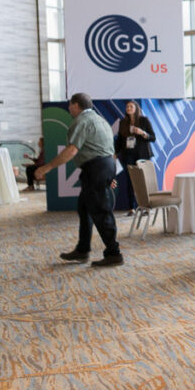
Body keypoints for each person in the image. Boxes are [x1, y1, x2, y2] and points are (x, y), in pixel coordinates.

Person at [35, 93, 123, 267]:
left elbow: (71, 151)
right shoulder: (100, 120)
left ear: (76, 105)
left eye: (70, 106)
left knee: (101, 211)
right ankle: (82, 250)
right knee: (84, 209)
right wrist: (109, 175)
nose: (69, 109)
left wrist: (47, 168)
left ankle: (114, 253)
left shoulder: (82, 121)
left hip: (96, 169)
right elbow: (109, 150)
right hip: (105, 166)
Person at [115, 100, 156, 211]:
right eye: (127, 106)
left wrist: (142, 133)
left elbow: (153, 137)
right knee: (130, 180)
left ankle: (145, 207)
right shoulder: (123, 122)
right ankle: (131, 208)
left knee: (142, 181)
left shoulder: (144, 120)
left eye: (131, 106)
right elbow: (119, 140)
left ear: (136, 108)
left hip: (142, 155)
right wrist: (115, 152)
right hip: (128, 154)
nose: (128, 108)